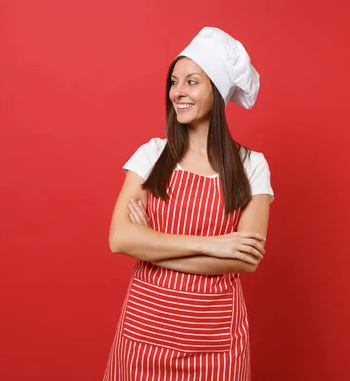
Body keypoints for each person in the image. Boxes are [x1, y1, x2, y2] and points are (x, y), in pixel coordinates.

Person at [103, 26, 274, 381]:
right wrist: (215, 246)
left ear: (217, 91)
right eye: (174, 81)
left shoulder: (251, 165)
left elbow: (246, 259)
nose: (177, 92)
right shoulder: (151, 155)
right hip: (143, 338)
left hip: (214, 343)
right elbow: (120, 239)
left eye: (192, 82)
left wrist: (150, 244)